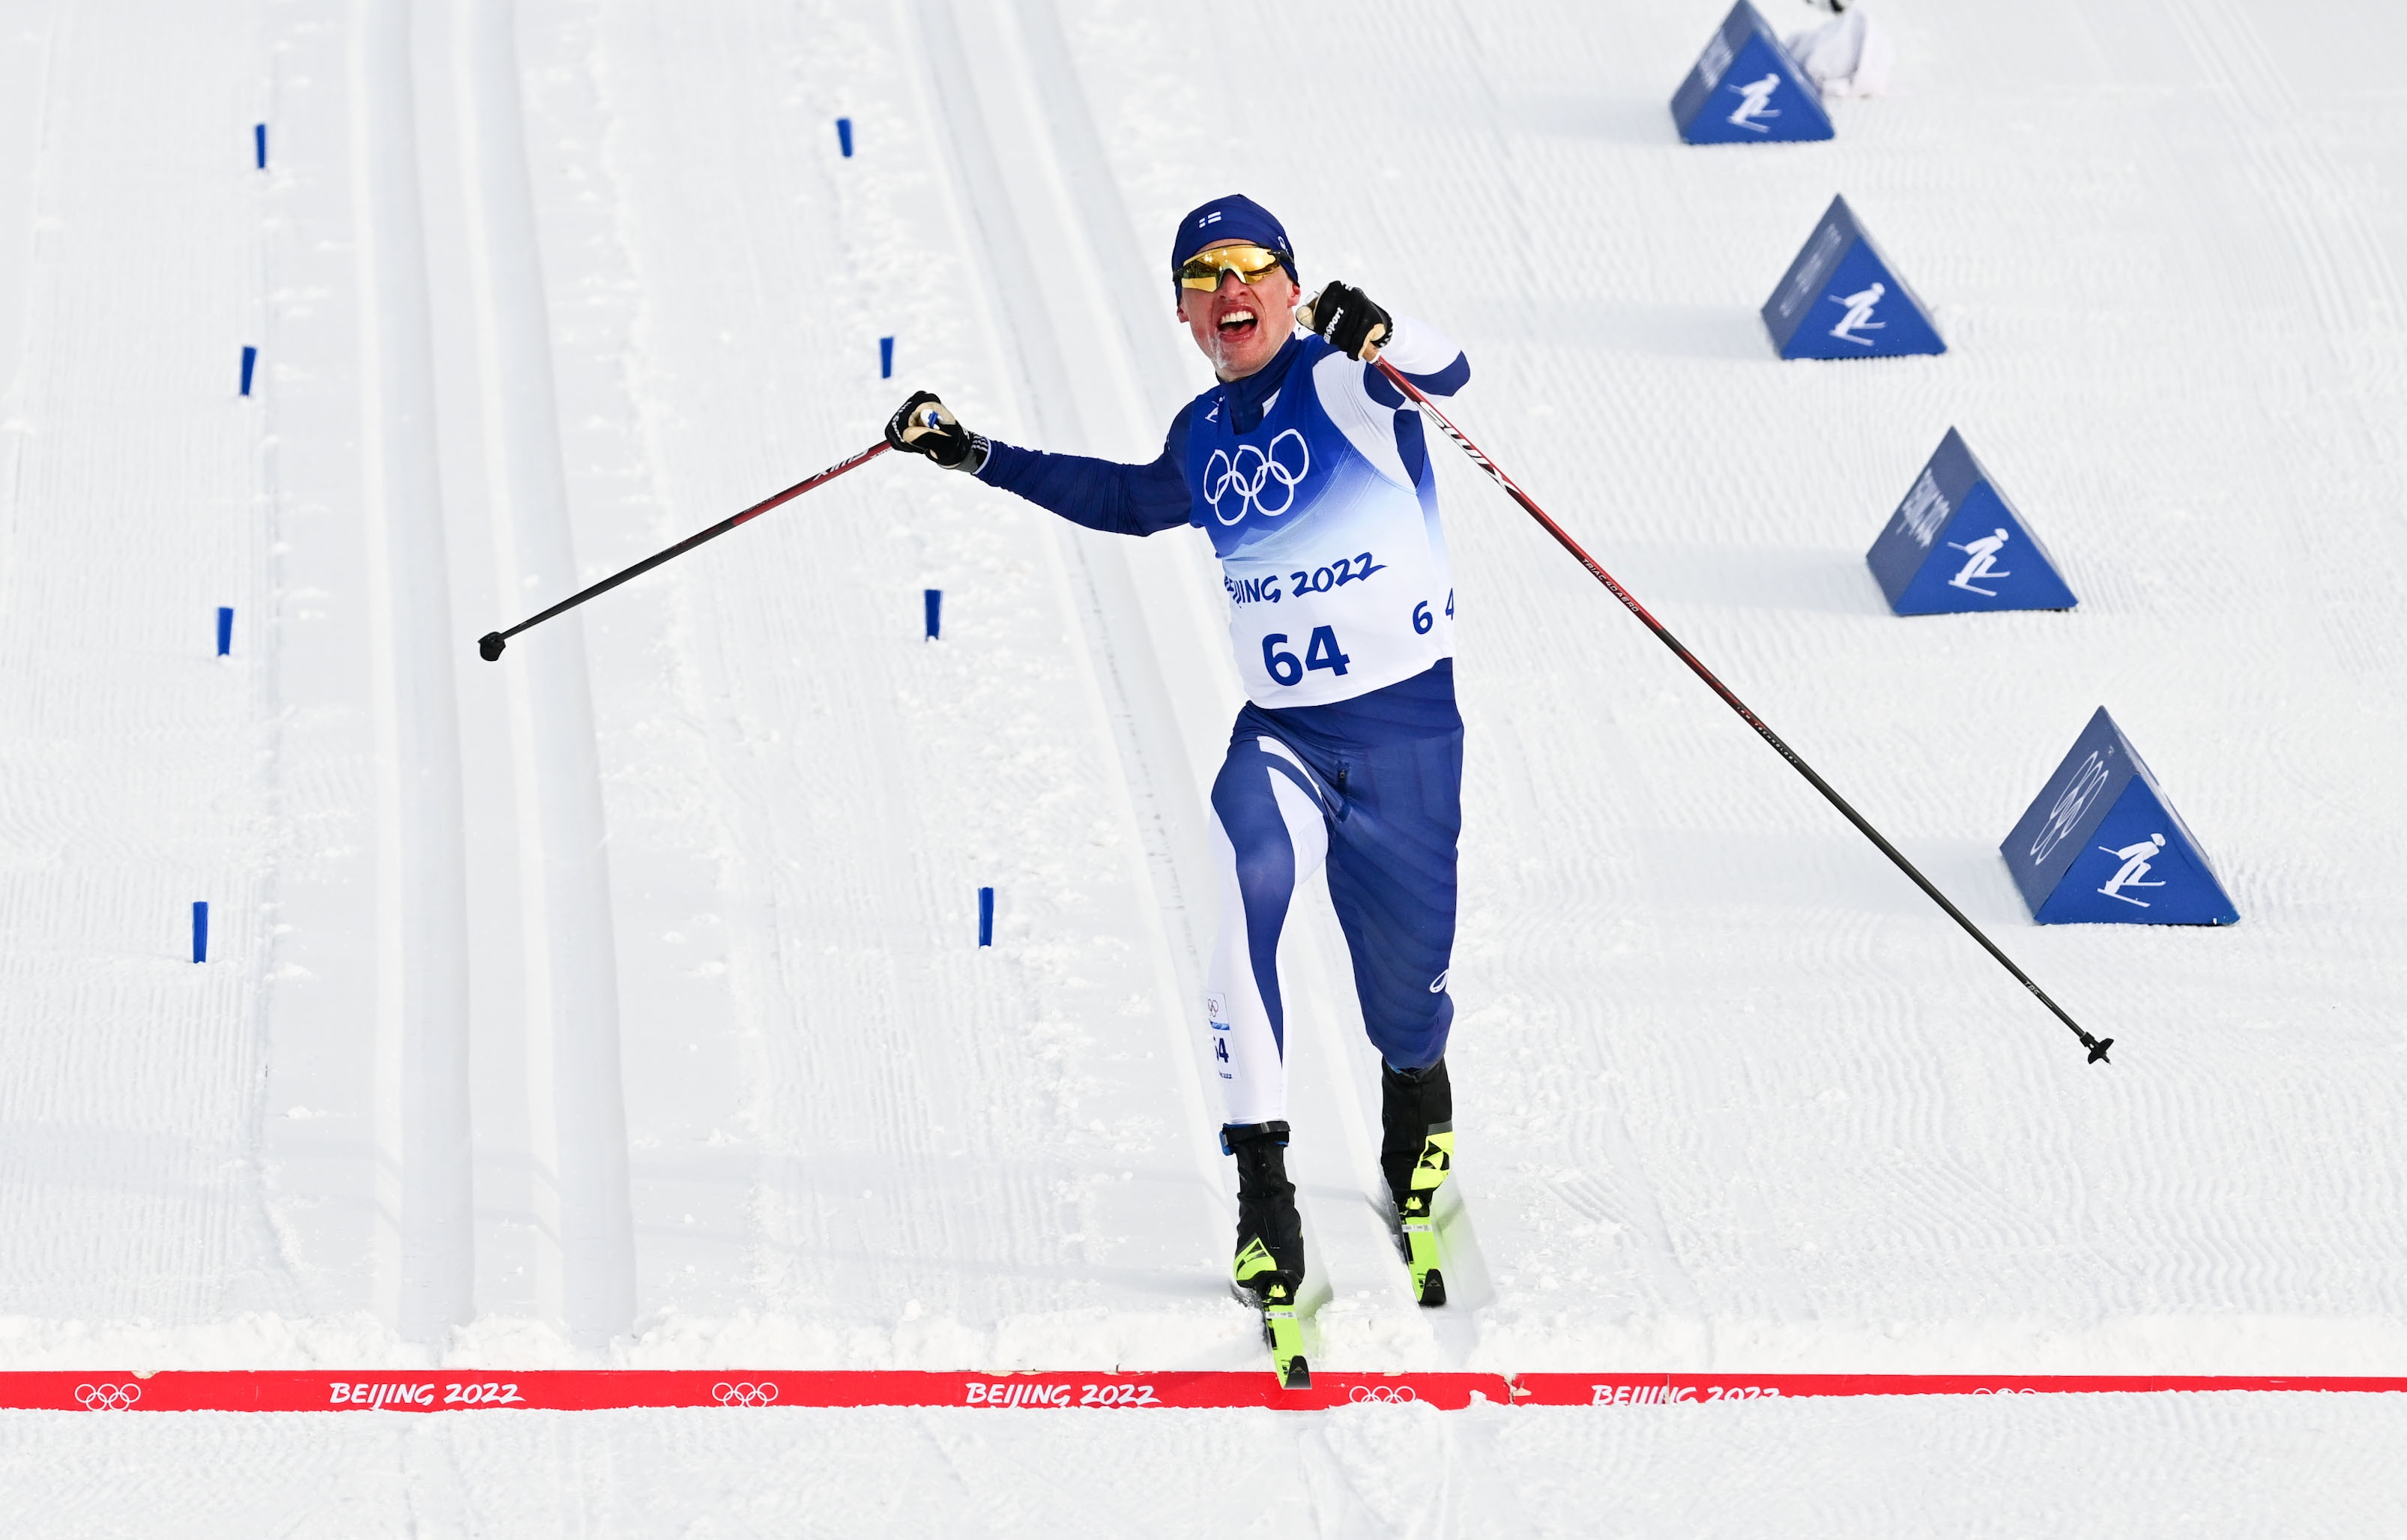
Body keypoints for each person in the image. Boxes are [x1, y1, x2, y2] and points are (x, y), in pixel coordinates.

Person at [882, 194, 1470, 1315]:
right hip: (1285, 740)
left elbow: (1453, 379)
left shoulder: (1346, 378)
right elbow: (1123, 497)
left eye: (1253, 267)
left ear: (1291, 290)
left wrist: (1386, 336)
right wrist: (975, 455)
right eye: (1203, 277)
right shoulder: (1203, 437)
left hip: (1404, 736)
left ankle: (1417, 1098)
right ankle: (1265, 1203)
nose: (1230, 289)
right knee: (1240, 907)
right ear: (1186, 315)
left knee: (1403, 990)